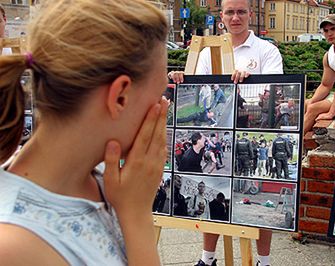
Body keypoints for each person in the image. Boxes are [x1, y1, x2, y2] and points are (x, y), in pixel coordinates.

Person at [0, 1, 168, 265]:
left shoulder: (104, 182)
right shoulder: (15, 247)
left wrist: (132, 208)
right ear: (120, 97)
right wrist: (137, 218)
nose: (162, 108)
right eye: (159, 95)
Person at [169, 0, 282, 264]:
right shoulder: (208, 52)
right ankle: (207, 259)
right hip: (219, 129)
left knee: (252, 194)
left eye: (241, 11)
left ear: (250, 15)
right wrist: (181, 80)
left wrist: (251, 81)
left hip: (250, 125)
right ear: (221, 16)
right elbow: (200, 91)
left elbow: (274, 93)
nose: (235, 17)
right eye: (230, 12)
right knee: (214, 193)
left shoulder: (267, 51)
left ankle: (263, 262)